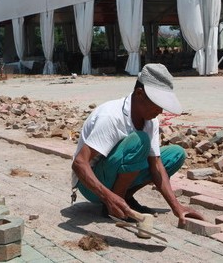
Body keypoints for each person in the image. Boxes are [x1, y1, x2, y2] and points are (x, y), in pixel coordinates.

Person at [71, 63, 204, 225]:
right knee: (140, 141)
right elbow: (79, 163)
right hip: (91, 184)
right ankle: (113, 205)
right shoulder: (112, 116)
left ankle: (122, 198)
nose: (160, 111)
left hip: (113, 178)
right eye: (157, 103)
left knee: (176, 154)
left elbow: (156, 165)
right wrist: (108, 197)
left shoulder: (151, 121)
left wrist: (177, 207)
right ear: (139, 94)